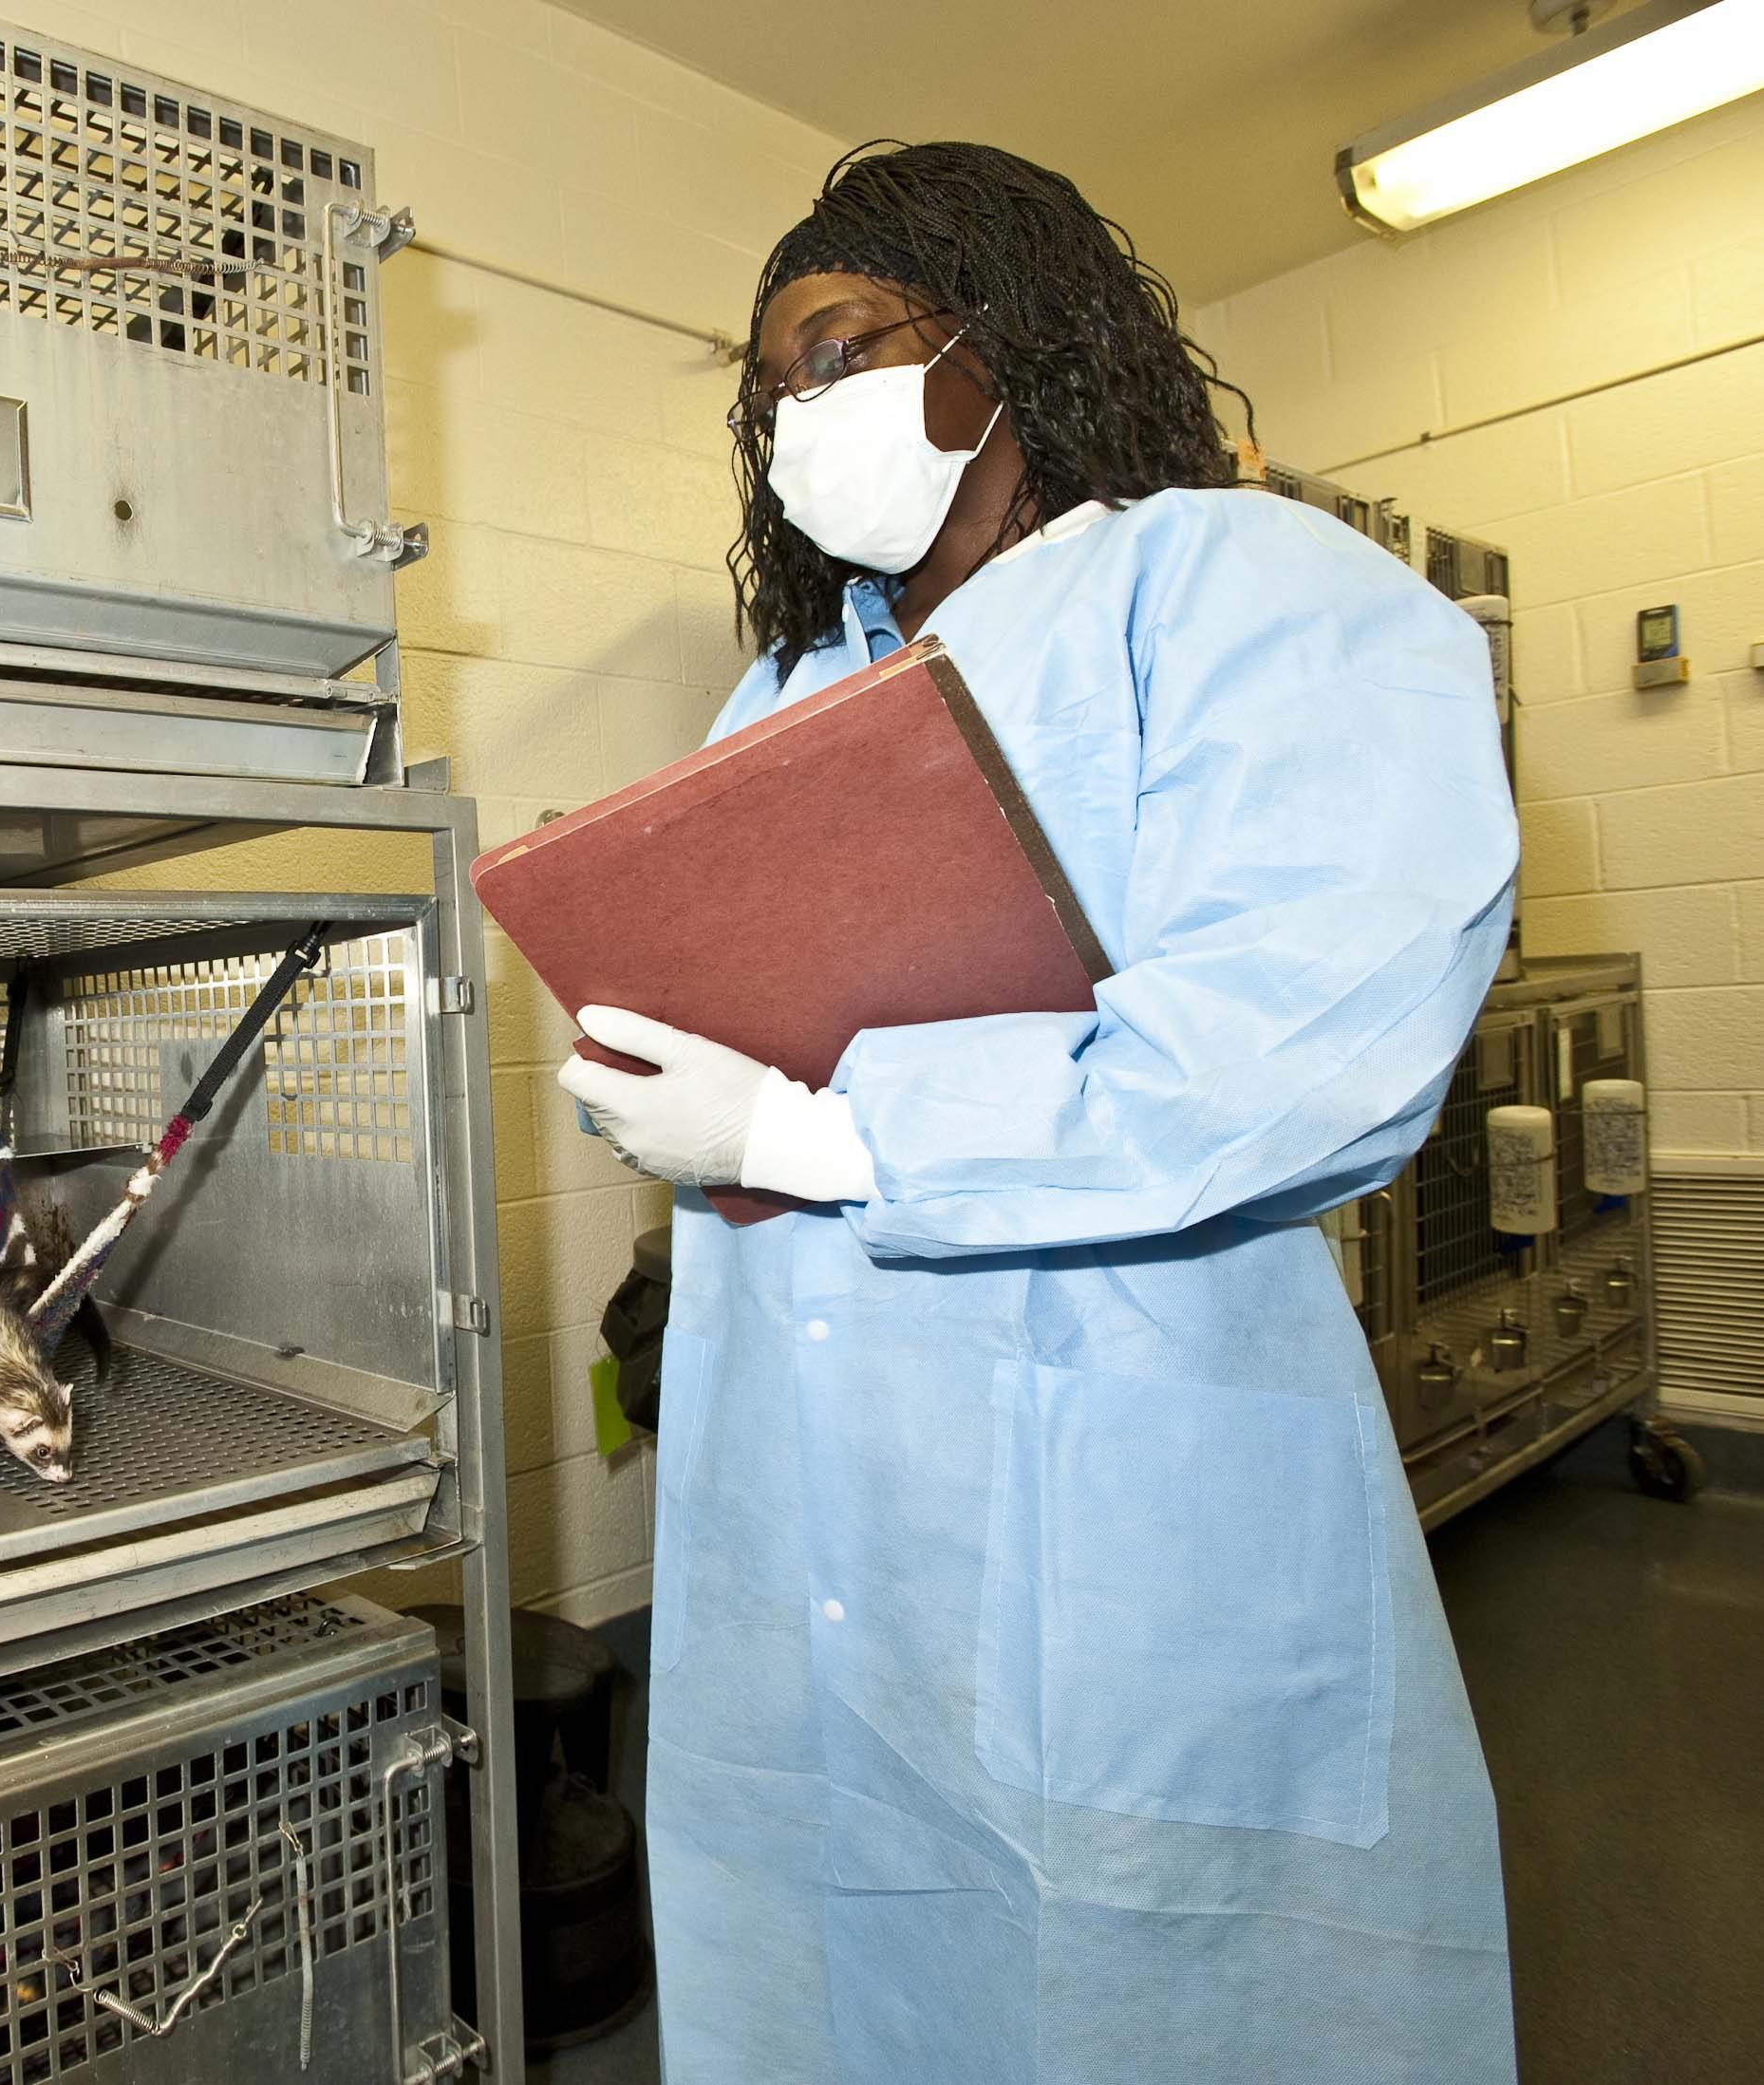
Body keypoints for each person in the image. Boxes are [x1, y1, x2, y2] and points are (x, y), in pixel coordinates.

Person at [556, 142, 1519, 2083]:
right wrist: (665, 1081)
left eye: (838, 352)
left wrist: (827, 1142)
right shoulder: (787, 692)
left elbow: (1305, 1039)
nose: (797, 420)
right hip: (812, 1515)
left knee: (1161, 2000)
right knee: (854, 1978)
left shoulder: (1243, 590)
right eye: (771, 394)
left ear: (1000, 348)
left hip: (1128, 1518)